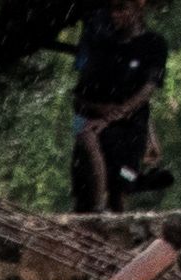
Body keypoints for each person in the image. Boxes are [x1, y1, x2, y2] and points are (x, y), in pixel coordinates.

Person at [73, 0, 173, 211]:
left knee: (122, 181)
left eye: (121, 9)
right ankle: (101, 209)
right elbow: (82, 94)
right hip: (100, 123)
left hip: (130, 131)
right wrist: (103, 113)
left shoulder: (154, 45)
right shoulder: (105, 47)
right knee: (89, 152)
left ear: (138, 9)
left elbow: (147, 91)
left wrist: (146, 131)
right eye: (112, 9)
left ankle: (134, 184)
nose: (114, 15)